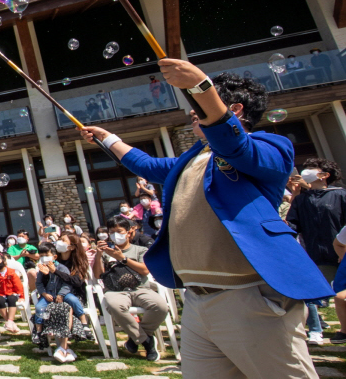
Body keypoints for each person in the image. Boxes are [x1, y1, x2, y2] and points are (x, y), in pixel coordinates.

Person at [83, 63, 332, 378]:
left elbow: (235, 144)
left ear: (235, 109)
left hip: (250, 297)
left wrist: (202, 87)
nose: (191, 112)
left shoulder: (270, 146)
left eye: (196, 106)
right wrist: (108, 138)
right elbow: (147, 164)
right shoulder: (193, 158)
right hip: (198, 302)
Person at [89, 216, 167, 361]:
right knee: (115, 306)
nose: (115, 235)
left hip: (140, 288)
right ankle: (147, 342)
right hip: (116, 290)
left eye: (119, 231)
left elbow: (145, 270)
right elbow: (98, 274)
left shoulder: (140, 250)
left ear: (128, 232)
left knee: (160, 306)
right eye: (112, 232)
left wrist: (123, 258)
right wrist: (99, 254)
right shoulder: (106, 252)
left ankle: (135, 339)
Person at [286, 157, 345, 345]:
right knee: (310, 294)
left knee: (342, 296)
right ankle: (315, 330)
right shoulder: (302, 200)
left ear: (325, 175)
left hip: (342, 254)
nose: (306, 171)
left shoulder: (340, 195)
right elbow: (292, 225)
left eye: (312, 168)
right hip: (315, 255)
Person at [0, 251, 23, 334]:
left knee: (12, 299)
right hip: (0, 293)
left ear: (4, 261)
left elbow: (18, 284)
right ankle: (9, 322)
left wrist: (21, 296)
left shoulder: (11, 272)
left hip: (11, 292)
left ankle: (10, 321)